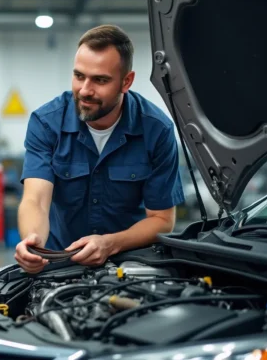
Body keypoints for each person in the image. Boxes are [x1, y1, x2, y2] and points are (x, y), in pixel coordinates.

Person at [15, 25, 185, 274]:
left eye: (100, 80)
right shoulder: (46, 122)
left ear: (126, 81)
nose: (85, 90)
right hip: (59, 262)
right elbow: (36, 200)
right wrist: (33, 241)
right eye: (79, 76)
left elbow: (162, 220)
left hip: (131, 264)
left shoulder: (157, 130)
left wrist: (110, 244)